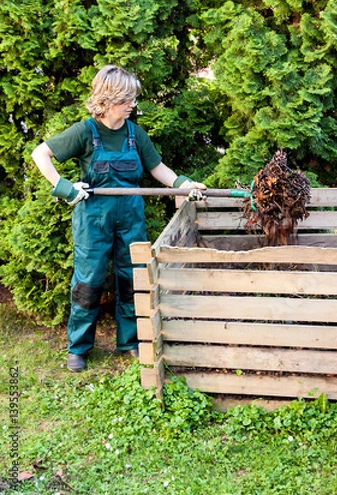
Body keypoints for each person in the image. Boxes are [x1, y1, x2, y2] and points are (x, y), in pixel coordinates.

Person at [31, 64, 206, 372]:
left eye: (132, 99)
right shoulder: (85, 131)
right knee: (88, 283)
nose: (132, 105)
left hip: (130, 219)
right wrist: (64, 187)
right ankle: (78, 348)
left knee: (131, 280)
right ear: (108, 99)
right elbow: (39, 154)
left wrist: (183, 185)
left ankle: (130, 342)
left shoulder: (134, 133)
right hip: (93, 221)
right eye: (127, 99)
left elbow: (158, 169)